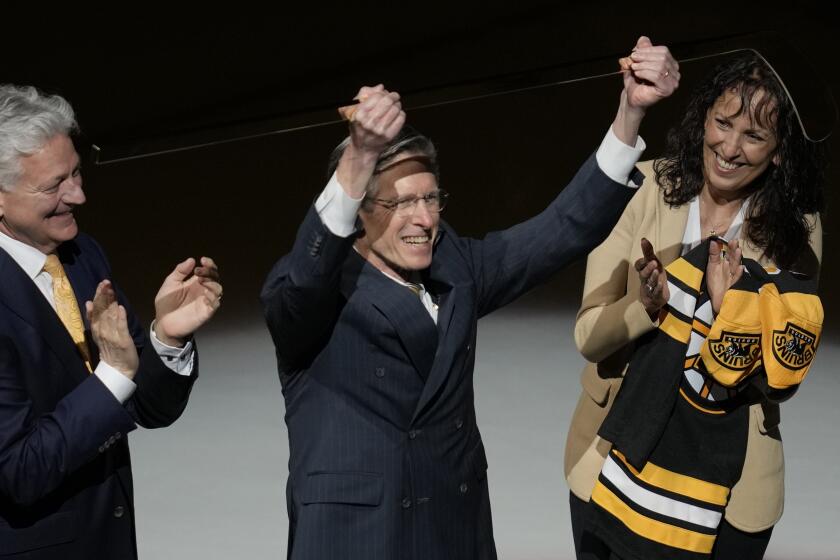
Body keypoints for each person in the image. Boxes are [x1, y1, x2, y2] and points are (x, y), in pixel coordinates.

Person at [261, 37, 678, 560]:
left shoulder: (456, 267)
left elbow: (562, 230)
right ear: (359, 213)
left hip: (453, 530)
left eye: (431, 197)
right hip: (357, 538)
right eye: (402, 203)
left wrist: (630, 112)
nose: (425, 219)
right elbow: (303, 280)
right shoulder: (313, 296)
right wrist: (361, 154)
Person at [564, 51, 826, 559]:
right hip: (614, 456)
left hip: (727, 480)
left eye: (753, 136)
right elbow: (589, 337)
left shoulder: (797, 229)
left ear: (779, 151)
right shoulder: (641, 188)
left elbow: (781, 377)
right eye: (723, 123)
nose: (729, 147)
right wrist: (646, 307)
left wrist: (732, 310)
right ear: (703, 116)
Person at [0, 84, 222, 558]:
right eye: (54, 184)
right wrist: (114, 375)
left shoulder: (83, 256)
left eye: (77, 173)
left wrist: (166, 338)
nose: (77, 195)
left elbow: (147, 408)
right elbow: (18, 471)